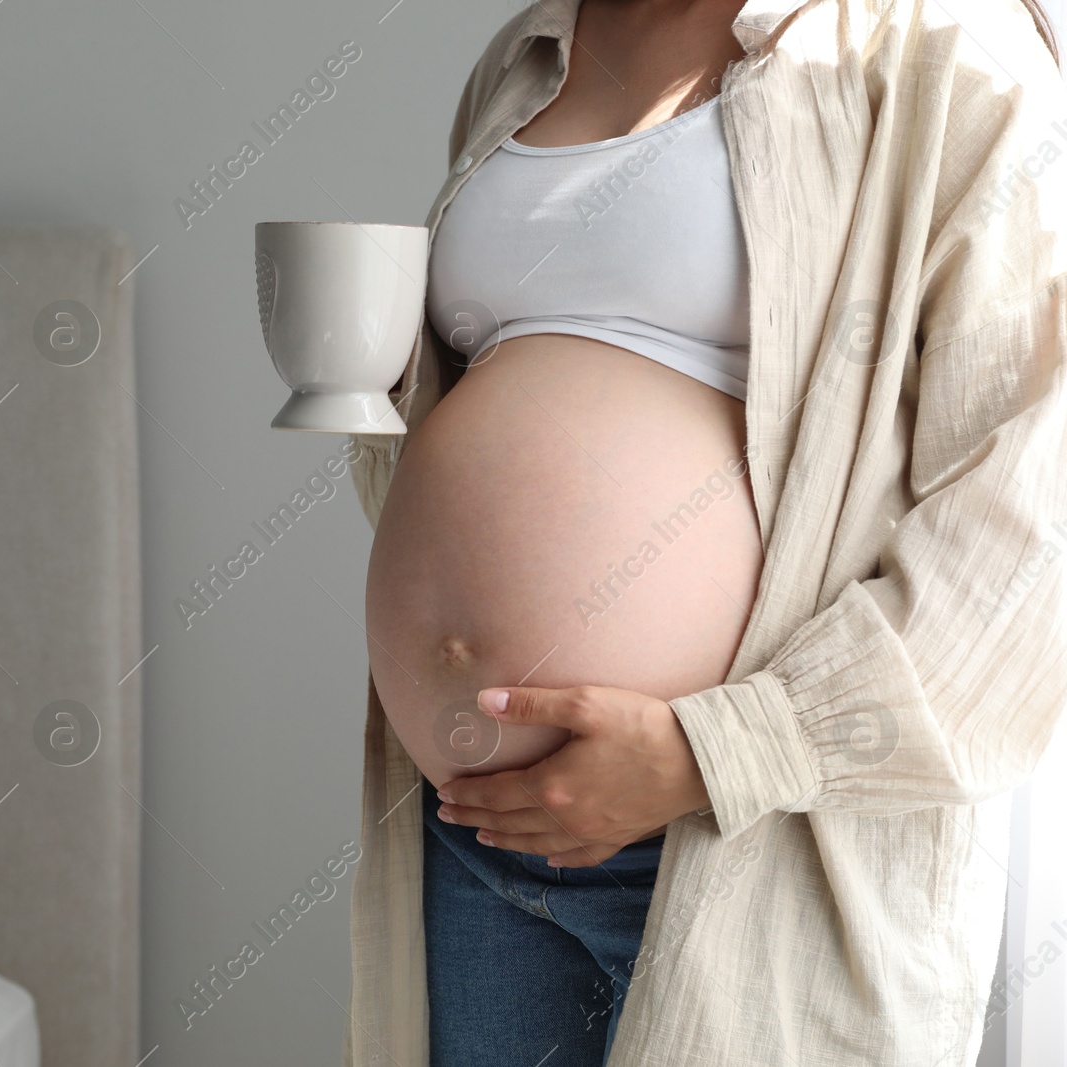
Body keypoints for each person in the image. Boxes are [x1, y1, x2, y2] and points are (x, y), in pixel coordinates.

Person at [345, 1, 1067, 1064]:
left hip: (744, 845)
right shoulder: (527, 51)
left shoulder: (943, 45)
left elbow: (1027, 514)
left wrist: (710, 754)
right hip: (477, 835)